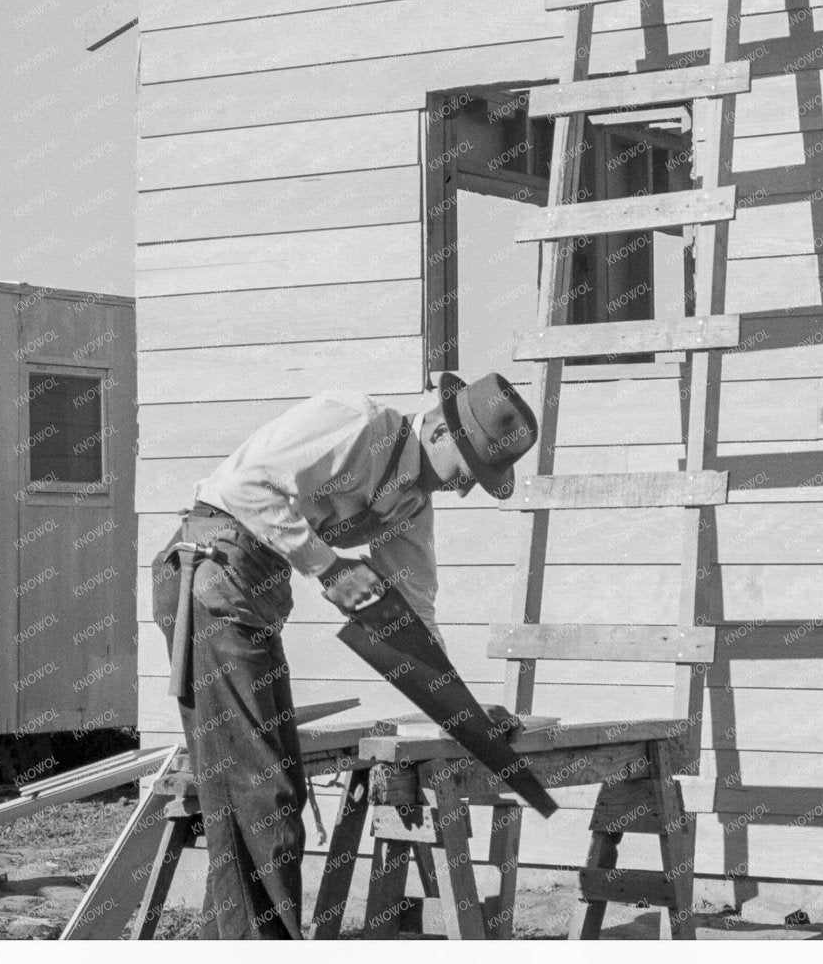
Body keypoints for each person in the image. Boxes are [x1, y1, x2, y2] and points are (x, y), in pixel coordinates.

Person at [150, 372, 540, 938]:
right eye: (470, 469)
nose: (465, 488)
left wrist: (466, 715)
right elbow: (244, 491)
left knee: (260, 796)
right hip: (214, 575)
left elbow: (414, 615)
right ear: (438, 430)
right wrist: (329, 568)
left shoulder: (411, 505)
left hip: (250, 594)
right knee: (263, 797)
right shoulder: (356, 421)